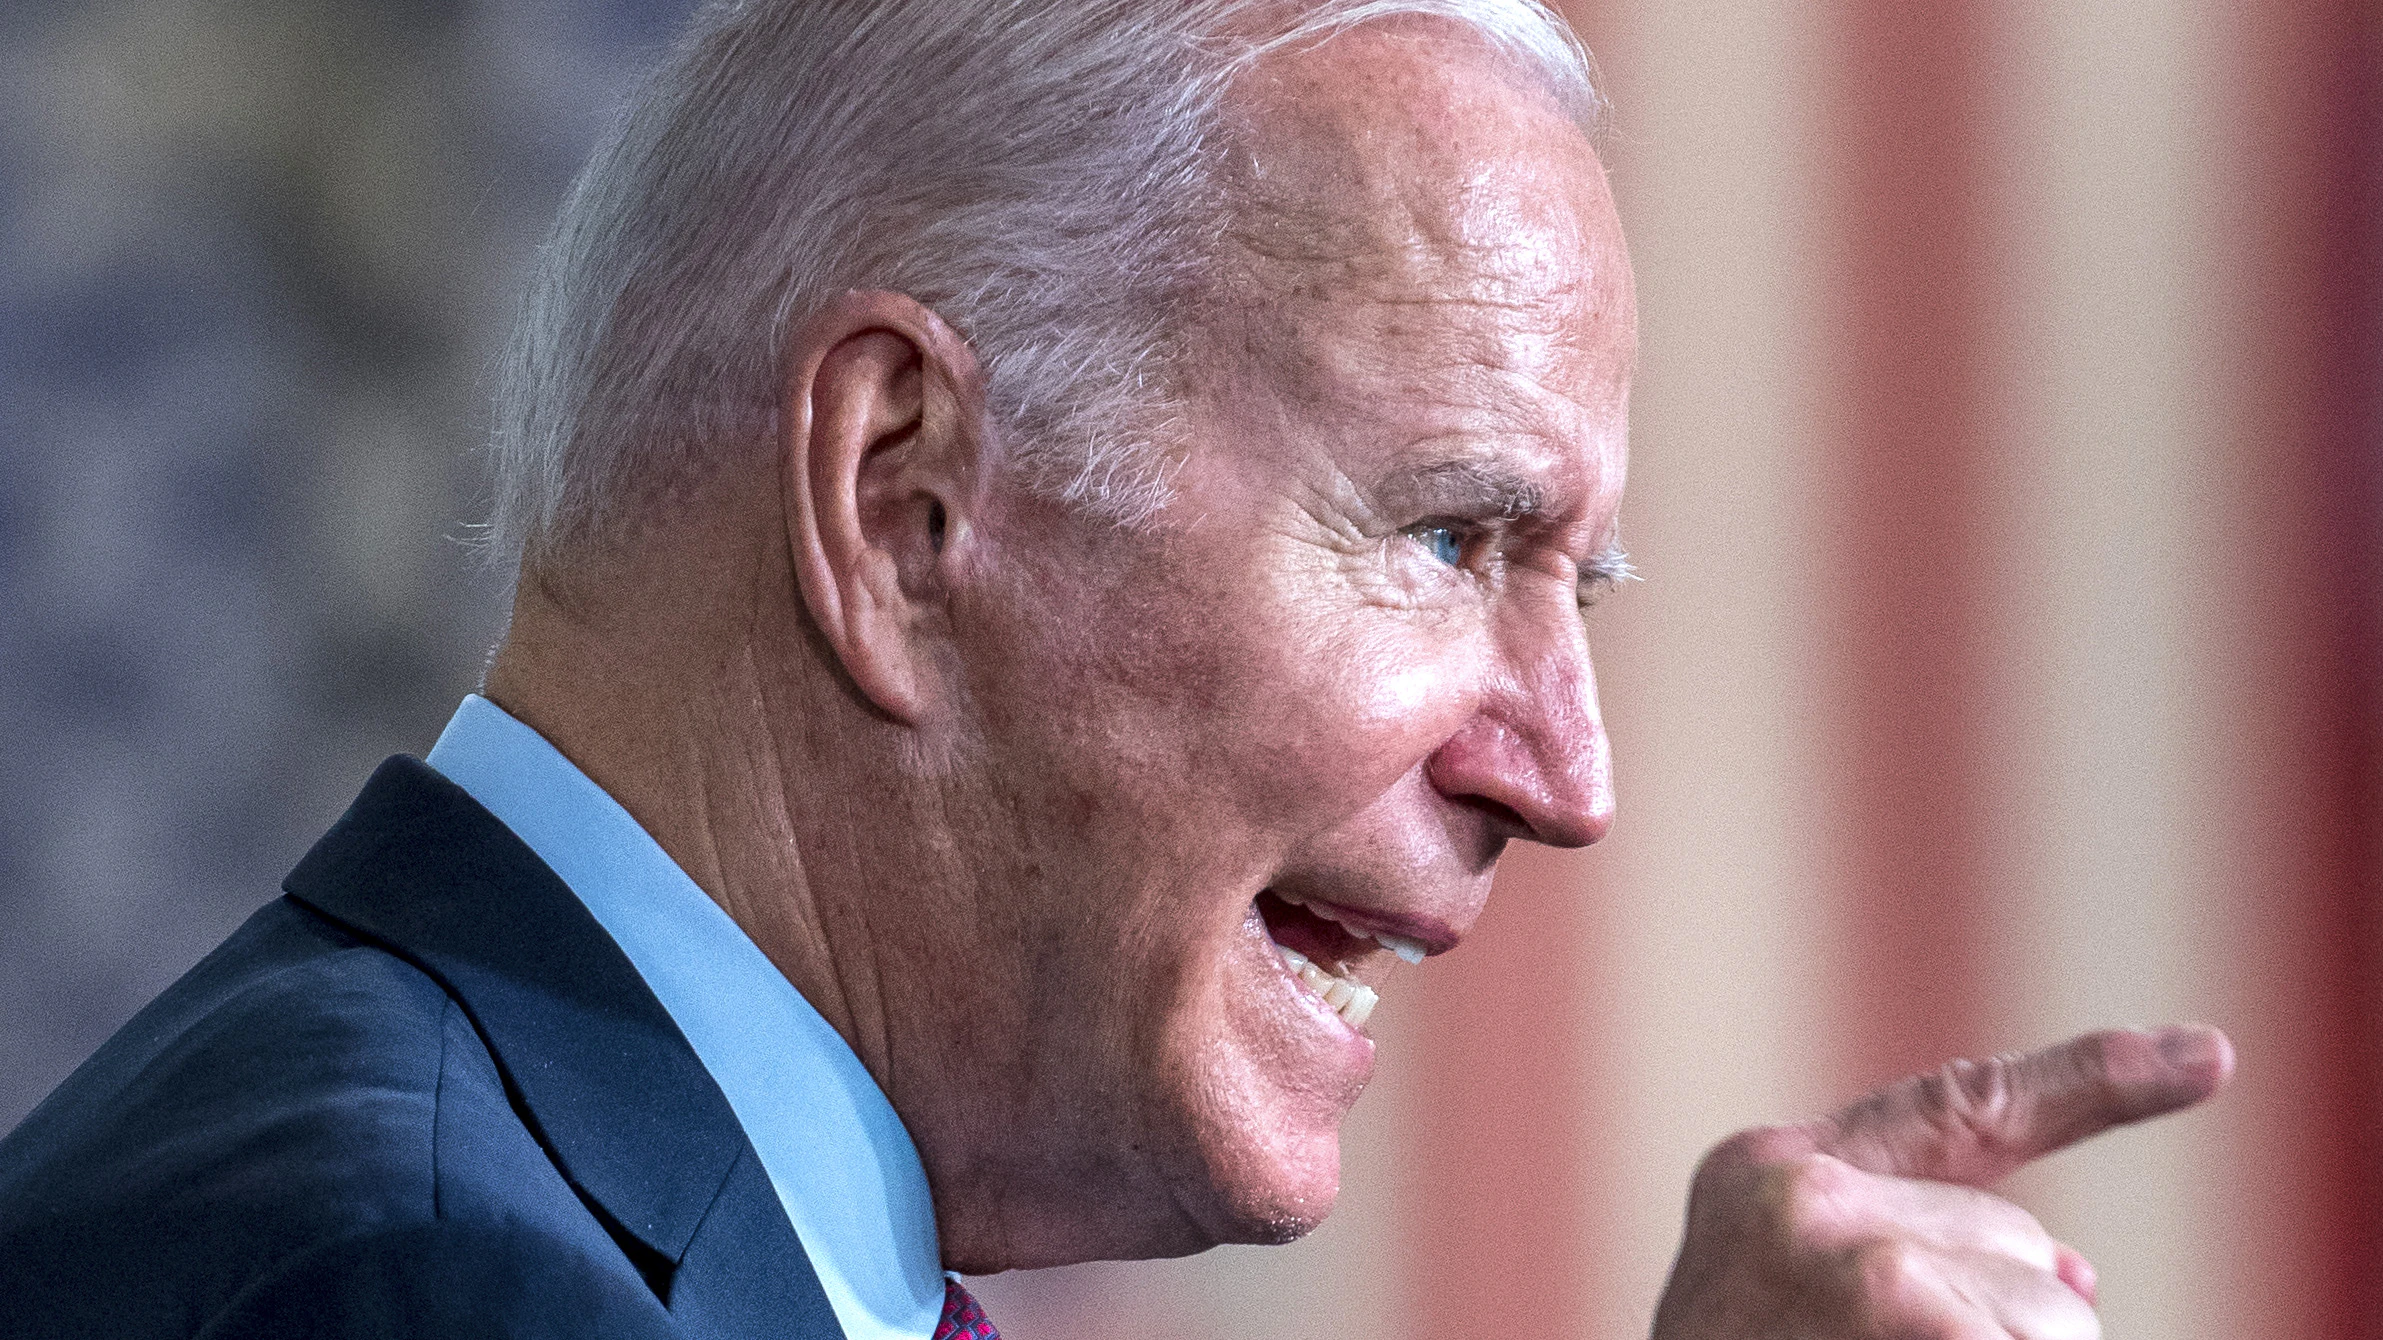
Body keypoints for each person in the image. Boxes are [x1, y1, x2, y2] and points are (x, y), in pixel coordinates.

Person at [0, 3, 2231, 1338]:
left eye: (1584, 585)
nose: (1567, 773)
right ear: (904, 498)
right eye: (1452, 536)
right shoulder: (418, 1281)